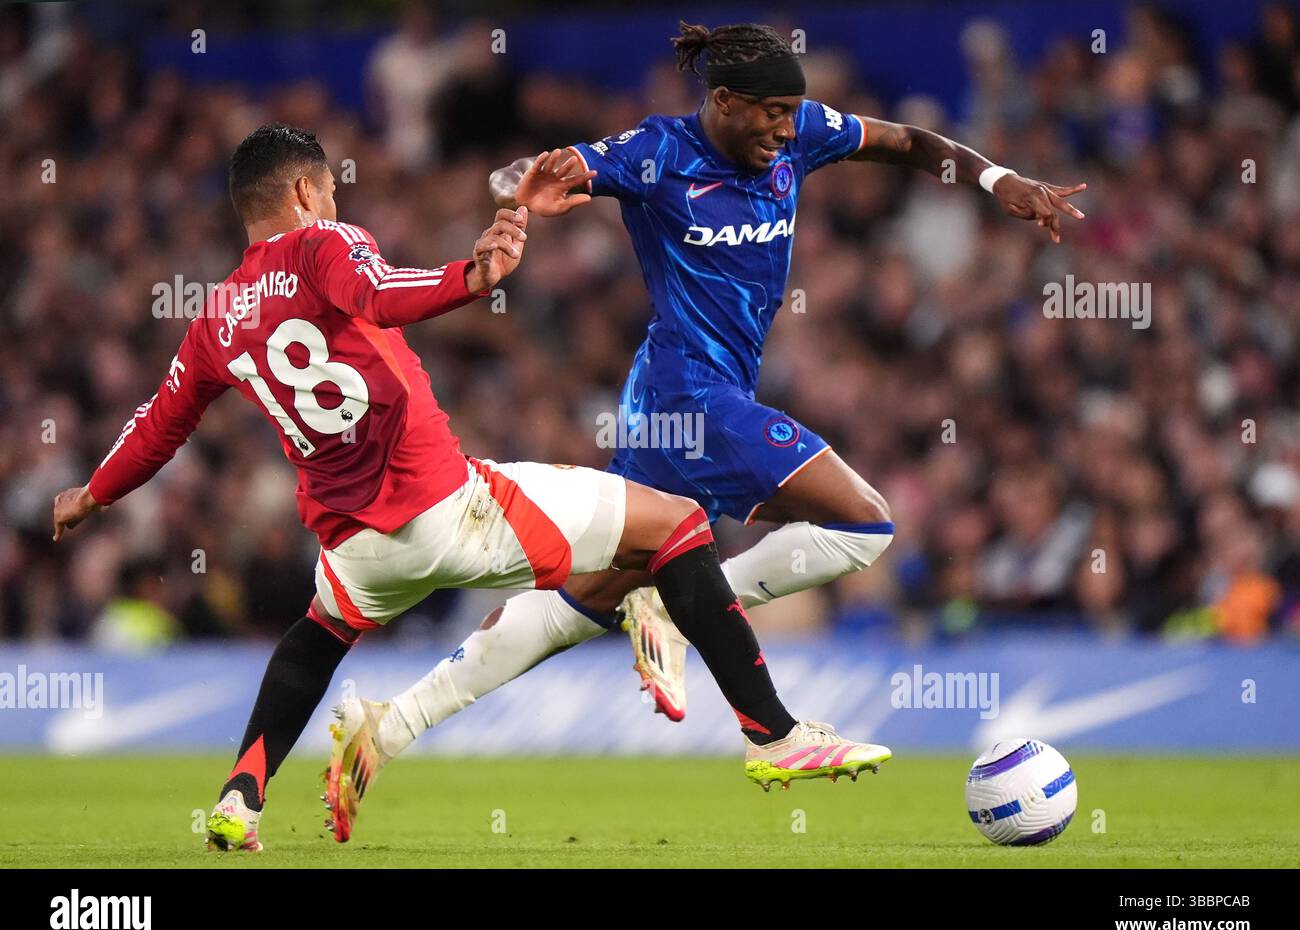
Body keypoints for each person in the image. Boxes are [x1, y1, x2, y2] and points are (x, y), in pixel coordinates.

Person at [51, 123, 890, 852]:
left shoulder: (218, 312)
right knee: (674, 526)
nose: (337, 205)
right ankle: (772, 731)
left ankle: (239, 796)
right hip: (447, 507)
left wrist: (90, 495)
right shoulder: (325, 245)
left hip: (354, 545)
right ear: (308, 190)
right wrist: (471, 277)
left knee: (316, 636)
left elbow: (157, 423)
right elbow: (378, 294)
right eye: (332, 191)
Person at [335, 21, 1085, 795]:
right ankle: (686, 615)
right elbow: (532, 170)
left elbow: (909, 143)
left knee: (580, 603)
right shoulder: (657, 153)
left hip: (680, 397)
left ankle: (387, 725)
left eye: (794, 114)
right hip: (688, 395)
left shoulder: (801, 134)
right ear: (723, 100)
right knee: (863, 522)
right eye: (771, 114)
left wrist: (1000, 181)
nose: (787, 130)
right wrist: (520, 181)